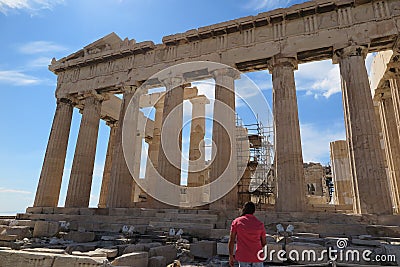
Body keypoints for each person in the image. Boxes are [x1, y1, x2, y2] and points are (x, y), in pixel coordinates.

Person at [229, 201, 267, 267]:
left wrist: (231, 256)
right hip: (257, 256)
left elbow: (232, 240)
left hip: (243, 256)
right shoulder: (260, 224)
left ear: (244, 209)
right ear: (254, 211)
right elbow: (264, 242)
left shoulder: (237, 222)